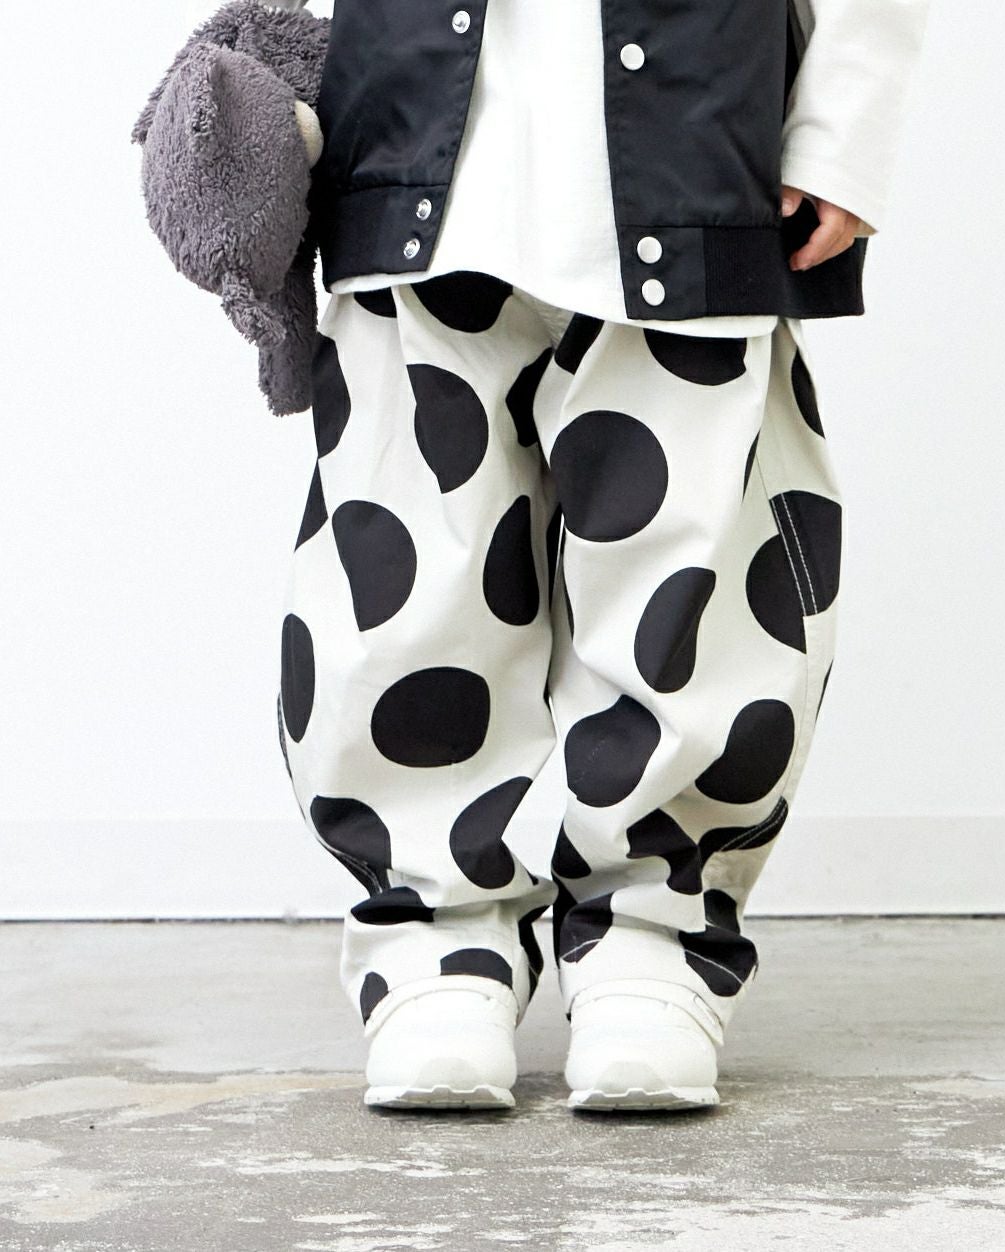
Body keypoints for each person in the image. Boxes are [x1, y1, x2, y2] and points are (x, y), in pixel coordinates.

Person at [234, 0, 932, 1111]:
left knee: (688, 581)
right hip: (408, 156)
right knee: (406, 586)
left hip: (697, 160)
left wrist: (841, 124)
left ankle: (653, 944)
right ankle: (433, 947)